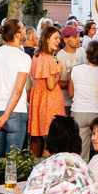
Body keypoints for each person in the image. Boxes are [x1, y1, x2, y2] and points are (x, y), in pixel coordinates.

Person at [0, 20, 32, 155]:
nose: (25, 30)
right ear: (16, 34)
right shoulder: (24, 57)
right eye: (22, 29)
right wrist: (5, 116)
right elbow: (17, 90)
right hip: (16, 111)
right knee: (13, 159)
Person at [25, 25, 68, 158]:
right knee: (51, 137)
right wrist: (58, 71)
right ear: (46, 39)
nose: (58, 41)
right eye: (55, 38)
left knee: (37, 135)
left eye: (58, 38)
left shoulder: (37, 56)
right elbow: (50, 85)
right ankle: (48, 165)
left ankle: (33, 164)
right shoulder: (49, 59)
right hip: (50, 101)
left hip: (39, 99)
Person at [67, 41, 98, 145]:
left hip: (78, 111)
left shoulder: (75, 69)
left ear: (87, 54)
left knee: (81, 148)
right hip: (96, 111)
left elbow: (70, 93)